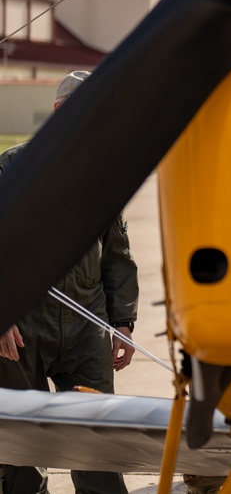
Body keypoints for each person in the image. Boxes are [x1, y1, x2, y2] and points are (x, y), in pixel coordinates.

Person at [0, 70, 139, 494]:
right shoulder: (10, 168)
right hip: (22, 329)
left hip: (86, 327)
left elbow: (116, 254)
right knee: (22, 450)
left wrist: (125, 322)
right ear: (60, 110)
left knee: (97, 443)